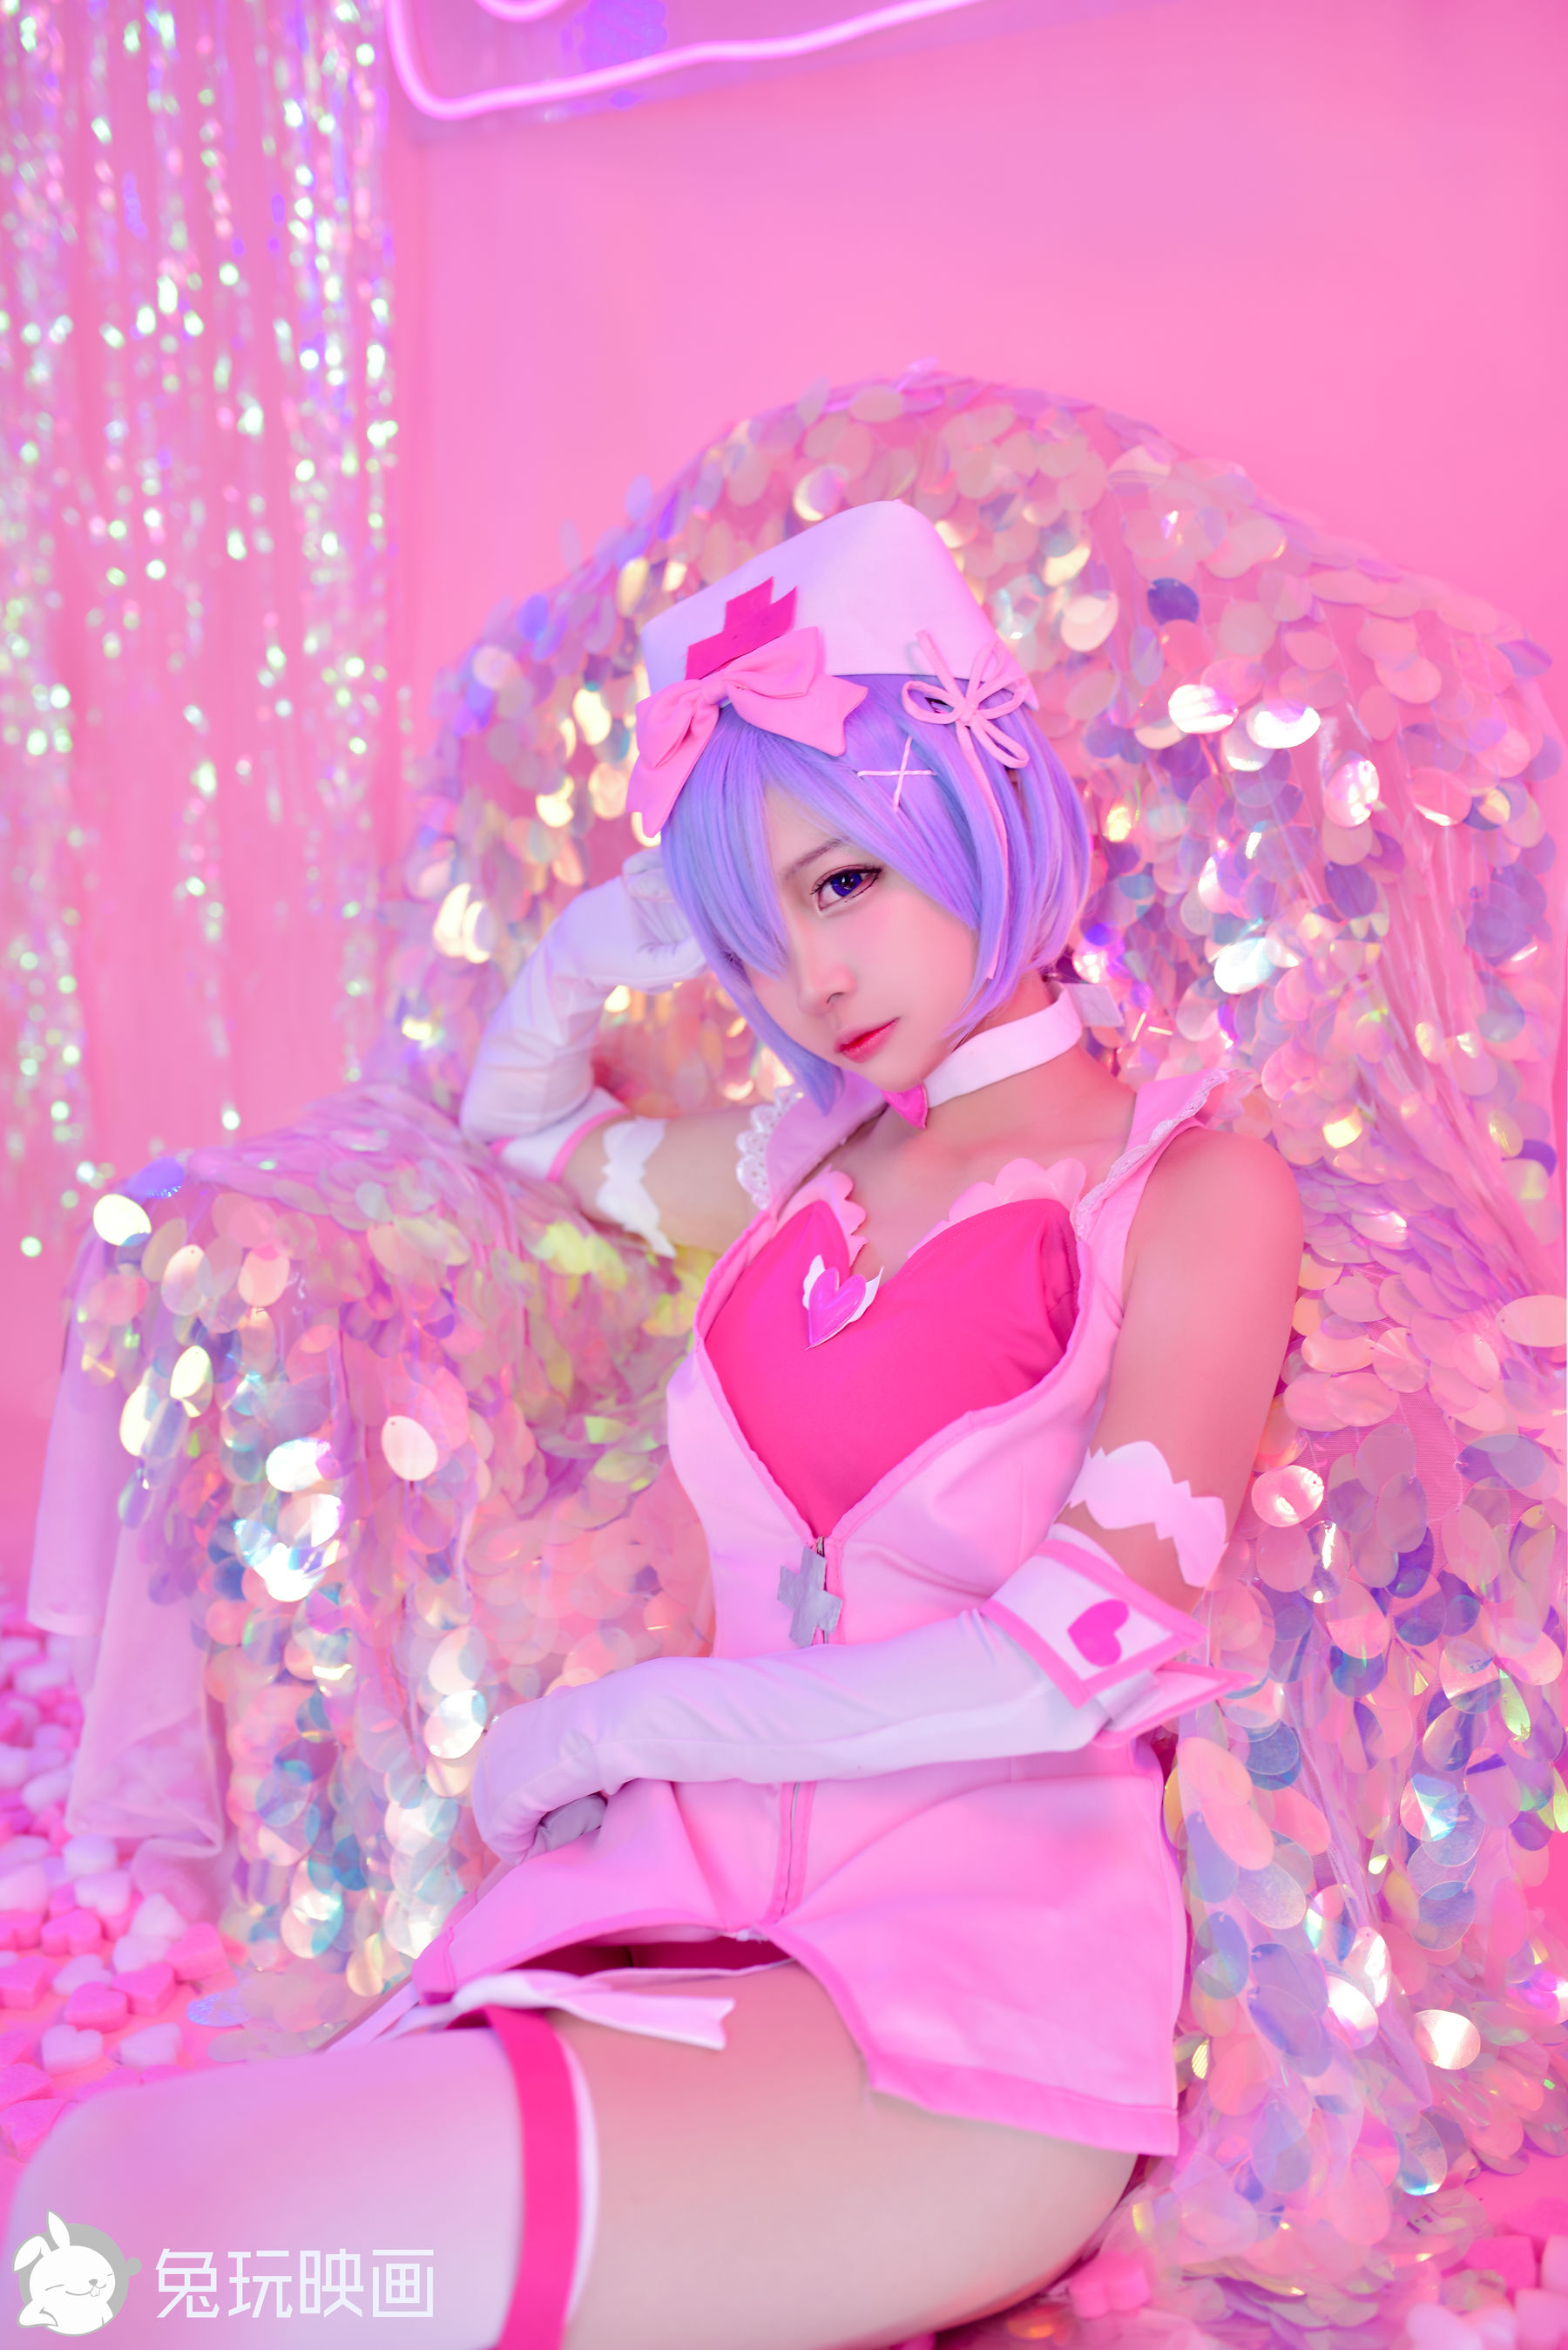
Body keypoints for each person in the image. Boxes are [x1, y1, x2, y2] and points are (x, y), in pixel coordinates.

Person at [15, 503, 1302, 2350]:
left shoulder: (1185, 1189)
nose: (811, 985)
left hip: (962, 2009)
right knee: (95, 2199)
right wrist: (634, 918)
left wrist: (630, 1720)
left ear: (979, 801)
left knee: (153, 2258)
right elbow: (525, 1123)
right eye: (755, 938)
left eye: (844, 883)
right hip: (665, 1908)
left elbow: (1078, 1652)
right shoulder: (802, 1165)